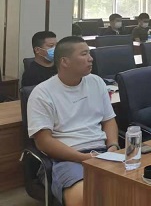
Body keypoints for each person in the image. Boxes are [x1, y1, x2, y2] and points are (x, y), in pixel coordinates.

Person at [27, 36, 118, 206]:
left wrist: (113, 146)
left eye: (89, 53)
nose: (91, 58)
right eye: (84, 54)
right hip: (66, 158)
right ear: (65, 62)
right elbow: (43, 142)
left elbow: (109, 120)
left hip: (102, 152)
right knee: (85, 196)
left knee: (138, 186)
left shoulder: (96, 82)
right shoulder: (42, 93)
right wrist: (83, 158)